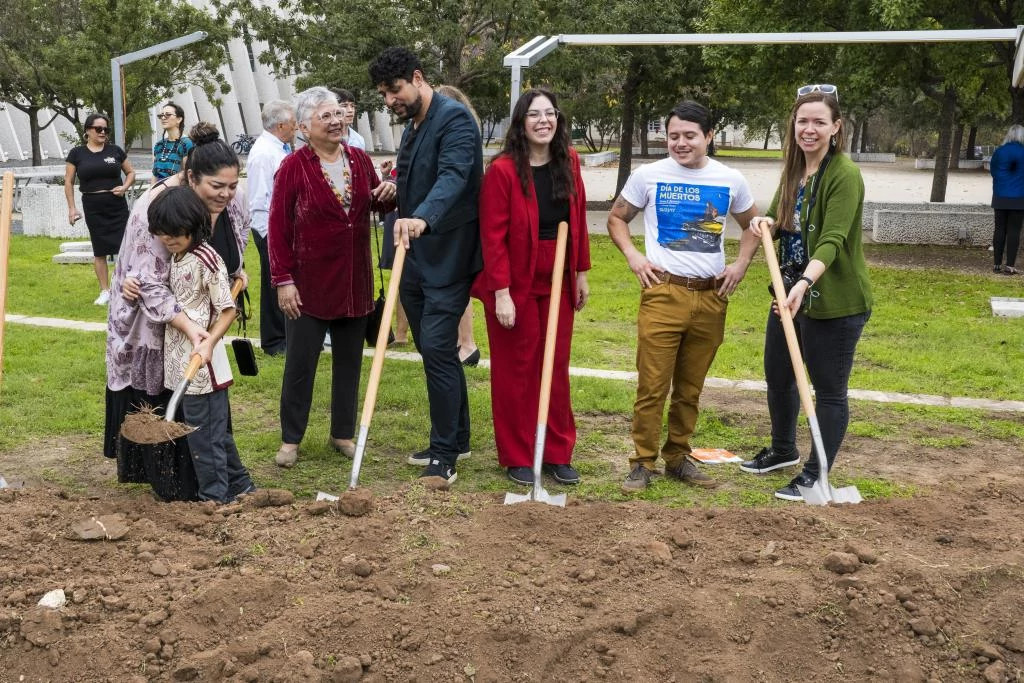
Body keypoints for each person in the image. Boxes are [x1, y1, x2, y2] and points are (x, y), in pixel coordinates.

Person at [608, 100, 760, 493]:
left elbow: (754, 225)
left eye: (690, 135)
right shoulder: (648, 175)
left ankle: (678, 457)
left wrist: (741, 264)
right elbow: (617, 217)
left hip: (711, 297)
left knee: (690, 389)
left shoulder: (730, 179)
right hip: (664, 292)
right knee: (652, 386)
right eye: (673, 135)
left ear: (709, 136)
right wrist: (634, 256)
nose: (680, 143)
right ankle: (642, 462)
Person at [739, 85, 872, 501]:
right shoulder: (795, 170)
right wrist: (764, 223)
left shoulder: (844, 174)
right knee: (779, 375)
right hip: (789, 293)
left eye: (819, 122)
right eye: (802, 121)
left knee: (828, 389)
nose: (809, 129)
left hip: (832, 300)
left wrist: (804, 283)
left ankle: (815, 474)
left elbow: (832, 239)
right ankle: (783, 450)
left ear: (836, 127)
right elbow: (779, 219)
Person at [105, 122, 251, 469]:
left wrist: (234, 274)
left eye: (232, 186)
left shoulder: (233, 201)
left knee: (206, 396)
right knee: (167, 391)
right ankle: (171, 473)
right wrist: (189, 326)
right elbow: (149, 283)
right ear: (191, 177)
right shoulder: (159, 207)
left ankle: (213, 470)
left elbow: (234, 245)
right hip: (154, 322)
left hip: (202, 324)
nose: (226, 194)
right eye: (217, 186)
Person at [370, 47, 482, 485]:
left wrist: (422, 217)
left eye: (394, 90)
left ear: (417, 78)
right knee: (433, 350)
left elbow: (453, 177)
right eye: (383, 94)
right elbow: (419, 177)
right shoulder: (414, 126)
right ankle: (458, 438)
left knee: (436, 347)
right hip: (413, 257)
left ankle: (444, 454)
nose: (389, 101)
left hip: (448, 256)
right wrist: (395, 191)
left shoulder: (454, 120)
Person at [267, 86, 396, 468]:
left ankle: (342, 433)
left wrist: (388, 193)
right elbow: (277, 228)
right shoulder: (293, 167)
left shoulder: (358, 158)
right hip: (308, 286)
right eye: (325, 116)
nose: (336, 120)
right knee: (300, 365)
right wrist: (283, 279)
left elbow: (373, 204)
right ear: (305, 127)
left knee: (349, 363)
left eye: (338, 113)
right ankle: (291, 439)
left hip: (354, 282)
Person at [473, 88, 591, 486]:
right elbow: (492, 237)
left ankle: (557, 451)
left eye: (550, 113)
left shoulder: (569, 160)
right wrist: (501, 293)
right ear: (521, 123)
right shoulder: (503, 170)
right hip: (514, 278)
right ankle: (519, 454)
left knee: (554, 365)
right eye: (535, 114)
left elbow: (578, 219)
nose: (544, 121)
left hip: (558, 273)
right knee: (517, 368)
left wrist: (580, 272)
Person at [148, 186, 255, 503]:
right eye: (162, 233)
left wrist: (209, 344)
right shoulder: (176, 256)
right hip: (182, 360)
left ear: (193, 225)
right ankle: (241, 485)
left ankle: (213, 499)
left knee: (203, 438)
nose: (167, 239)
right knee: (213, 432)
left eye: (174, 232)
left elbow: (228, 310)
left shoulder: (206, 259)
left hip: (202, 369)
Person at [64, 113, 135, 305]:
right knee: (99, 249)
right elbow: (68, 182)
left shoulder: (115, 151)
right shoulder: (77, 154)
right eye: (98, 129)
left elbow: (130, 172)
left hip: (117, 205)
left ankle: (124, 287)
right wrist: (72, 208)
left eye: (106, 129)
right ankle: (105, 291)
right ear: (88, 131)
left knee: (125, 247)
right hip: (93, 206)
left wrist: (125, 187)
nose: (103, 132)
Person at [246, 99, 296, 356]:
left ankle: (288, 334)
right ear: (281, 125)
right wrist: (268, 234)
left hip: (281, 228)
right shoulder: (264, 153)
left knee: (285, 279)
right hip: (268, 228)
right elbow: (259, 198)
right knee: (273, 283)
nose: (296, 127)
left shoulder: (279, 148)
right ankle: (275, 340)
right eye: (293, 123)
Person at [437, 84, 482, 367]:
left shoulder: (459, 133)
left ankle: (466, 343)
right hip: (453, 220)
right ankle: (459, 341)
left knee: (457, 286)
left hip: (458, 222)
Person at [989, 124, 1024, 274]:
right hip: (1019, 197)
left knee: (999, 229)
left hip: (1000, 195)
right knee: (1014, 231)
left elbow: (993, 171)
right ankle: (1009, 266)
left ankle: (997, 264)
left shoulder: (999, 152)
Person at [151, 102, 194, 181]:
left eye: (168, 115)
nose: (163, 118)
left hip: (177, 187)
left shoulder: (186, 144)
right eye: (161, 115)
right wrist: (151, 188)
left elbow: (187, 176)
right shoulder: (159, 145)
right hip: (158, 188)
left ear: (179, 119)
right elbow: (154, 175)